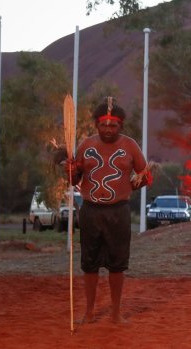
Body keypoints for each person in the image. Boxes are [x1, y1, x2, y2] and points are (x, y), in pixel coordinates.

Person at [66, 97, 151, 324]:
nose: (107, 129)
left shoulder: (130, 145)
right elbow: (73, 179)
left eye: (113, 125)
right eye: (103, 124)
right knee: (89, 263)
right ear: (96, 124)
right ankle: (89, 311)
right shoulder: (86, 145)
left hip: (119, 211)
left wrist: (136, 183)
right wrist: (70, 170)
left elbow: (145, 176)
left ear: (121, 125)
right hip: (90, 211)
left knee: (117, 264)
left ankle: (115, 312)